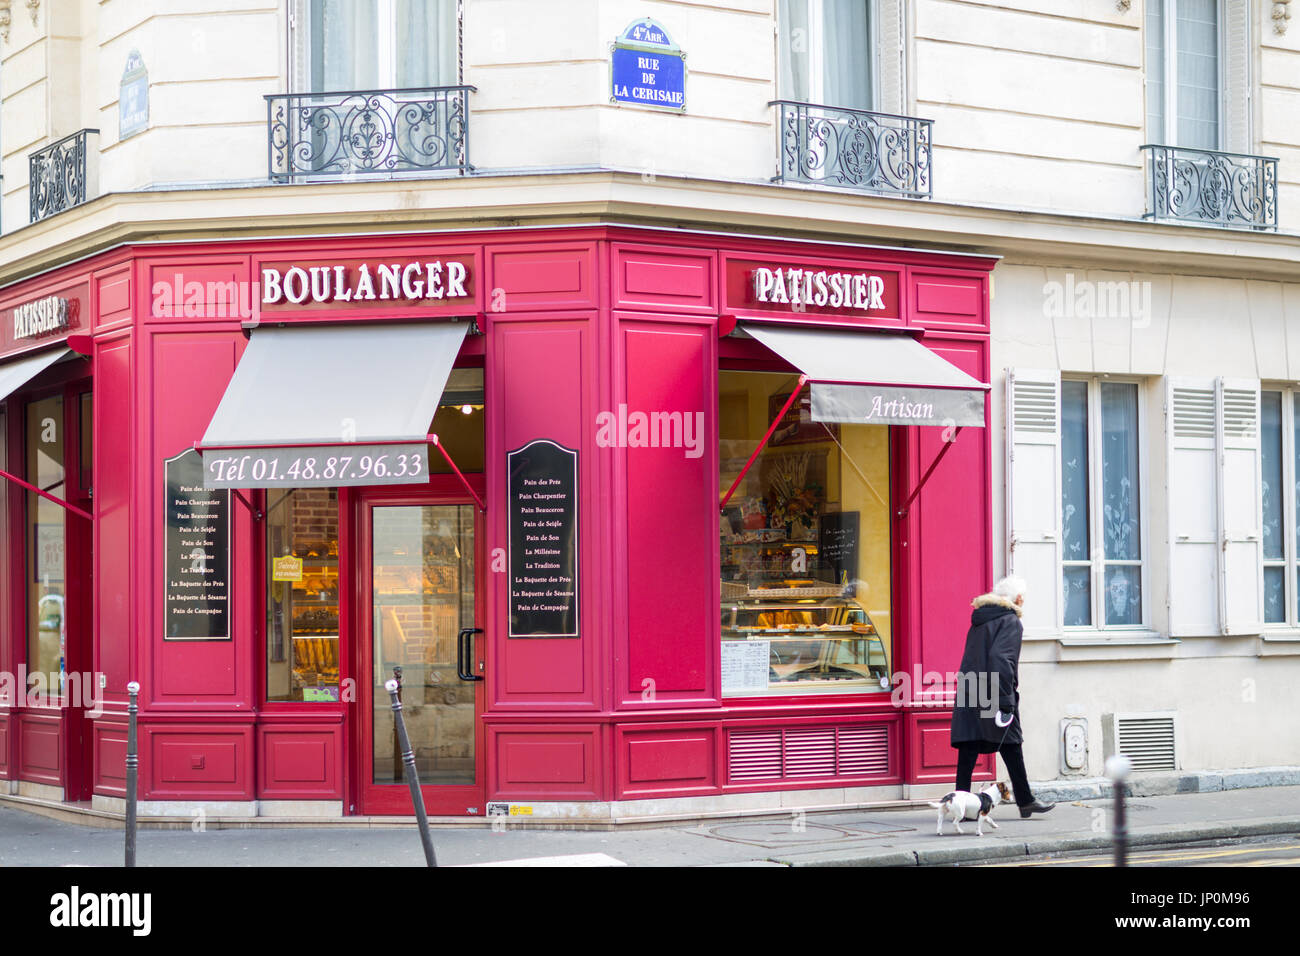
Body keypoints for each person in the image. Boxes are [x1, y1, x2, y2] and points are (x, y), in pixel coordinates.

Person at [950, 576, 1054, 818]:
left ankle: (962, 804)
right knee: (1011, 744)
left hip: (971, 686)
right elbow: (1001, 659)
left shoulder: (979, 620)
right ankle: (1025, 801)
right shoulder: (1010, 621)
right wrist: (1006, 699)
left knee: (970, 746)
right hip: (994, 690)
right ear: (1018, 599)